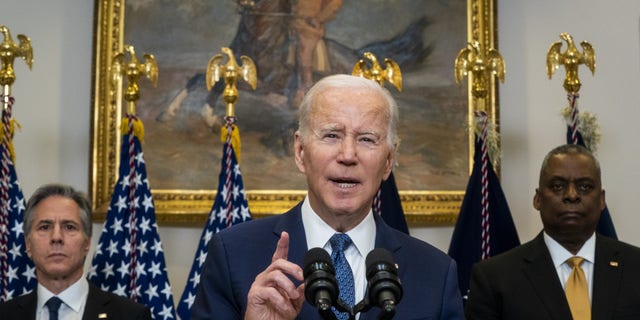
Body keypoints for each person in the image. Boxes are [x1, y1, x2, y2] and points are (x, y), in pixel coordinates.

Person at [190, 74, 464, 319]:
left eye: (367, 139)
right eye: (332, 135)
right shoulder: (233, 255)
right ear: (300, 151)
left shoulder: (436, 273)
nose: (347, 155)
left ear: (388, 161)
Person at [465, 144, 640, 319]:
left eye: (585, 187)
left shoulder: (635, 266)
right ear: (538, 199)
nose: (572, 195)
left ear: (602, 200)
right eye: (557, 186)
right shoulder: (495, 278)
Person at [0, 183, 151, 320]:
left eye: (69, 227)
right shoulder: (5, 314)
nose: (57, 237)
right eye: (45, 227)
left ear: (87, 242)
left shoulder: (131, 315)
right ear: (28, 244)